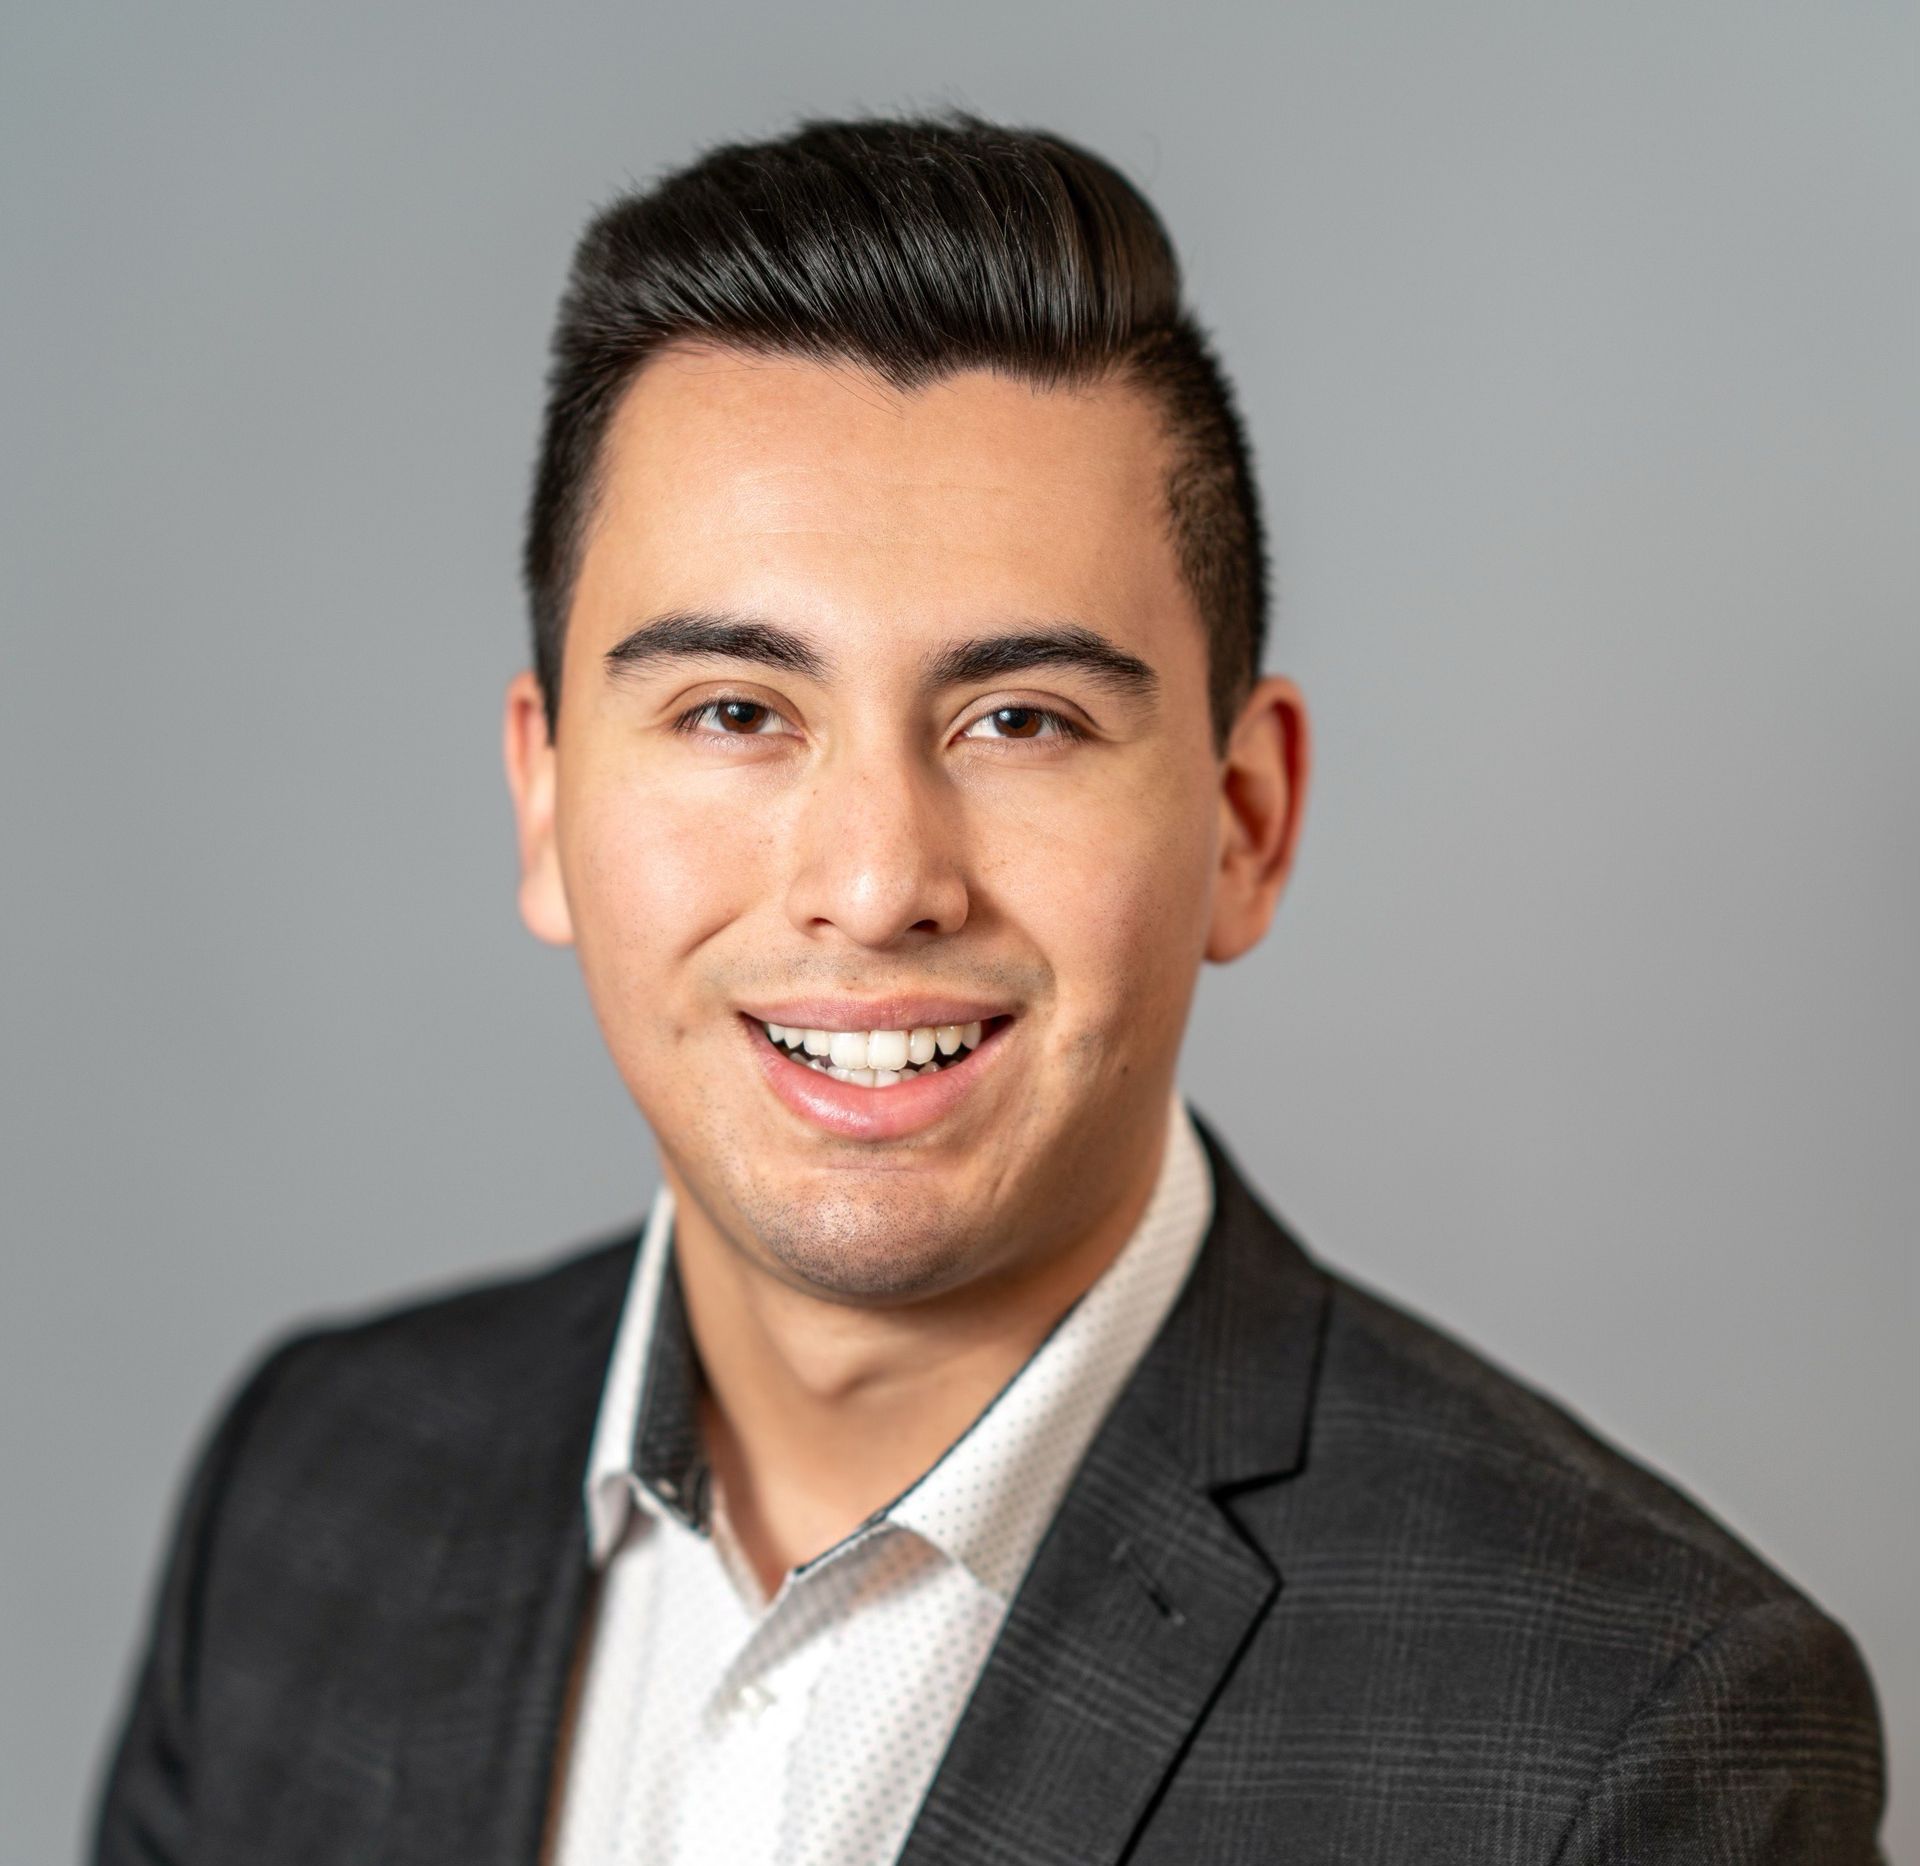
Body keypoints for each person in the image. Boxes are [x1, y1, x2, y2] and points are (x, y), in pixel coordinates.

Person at [90, 112, 1887, 1865]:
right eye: (734, 712)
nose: (876, 884)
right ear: (548, 800)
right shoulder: (306, 1490)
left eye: (1020, 720)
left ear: (1245, 823)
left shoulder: (1627, 1740)